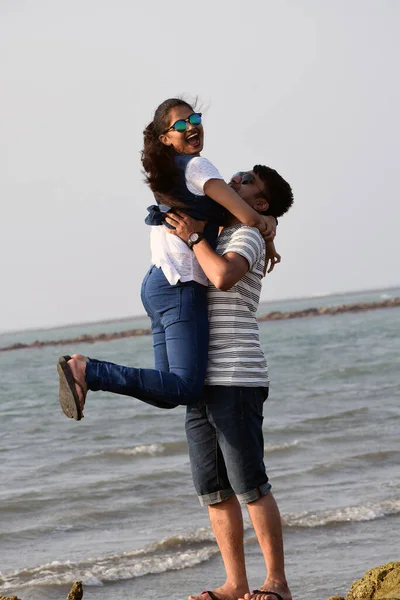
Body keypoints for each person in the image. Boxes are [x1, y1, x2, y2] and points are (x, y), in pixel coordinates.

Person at [57, 98, 278, 418]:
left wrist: (264, 223)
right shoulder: (198, 166)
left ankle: (86, 372)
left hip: (158, 284)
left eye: (195, 118)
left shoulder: (172, 174)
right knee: (186, 387)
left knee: (169, 390)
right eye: (179, 125)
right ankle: (87, 372)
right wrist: (267, 234)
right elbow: (246, 215)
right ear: (165, 138)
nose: (191, 127)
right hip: (180, 285)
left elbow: (227, 219)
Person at [162, 166, 294, 600]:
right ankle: (235, 584)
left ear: (259, 203)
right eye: (236, 176)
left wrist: (197, 238)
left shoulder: (246, 237)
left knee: (250, 485)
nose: (234, 181)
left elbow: (222, 276)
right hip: (201, 376)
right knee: (214, 491)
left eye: (246, 181)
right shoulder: (225, 228)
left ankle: (277, 583)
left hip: (237, 376)